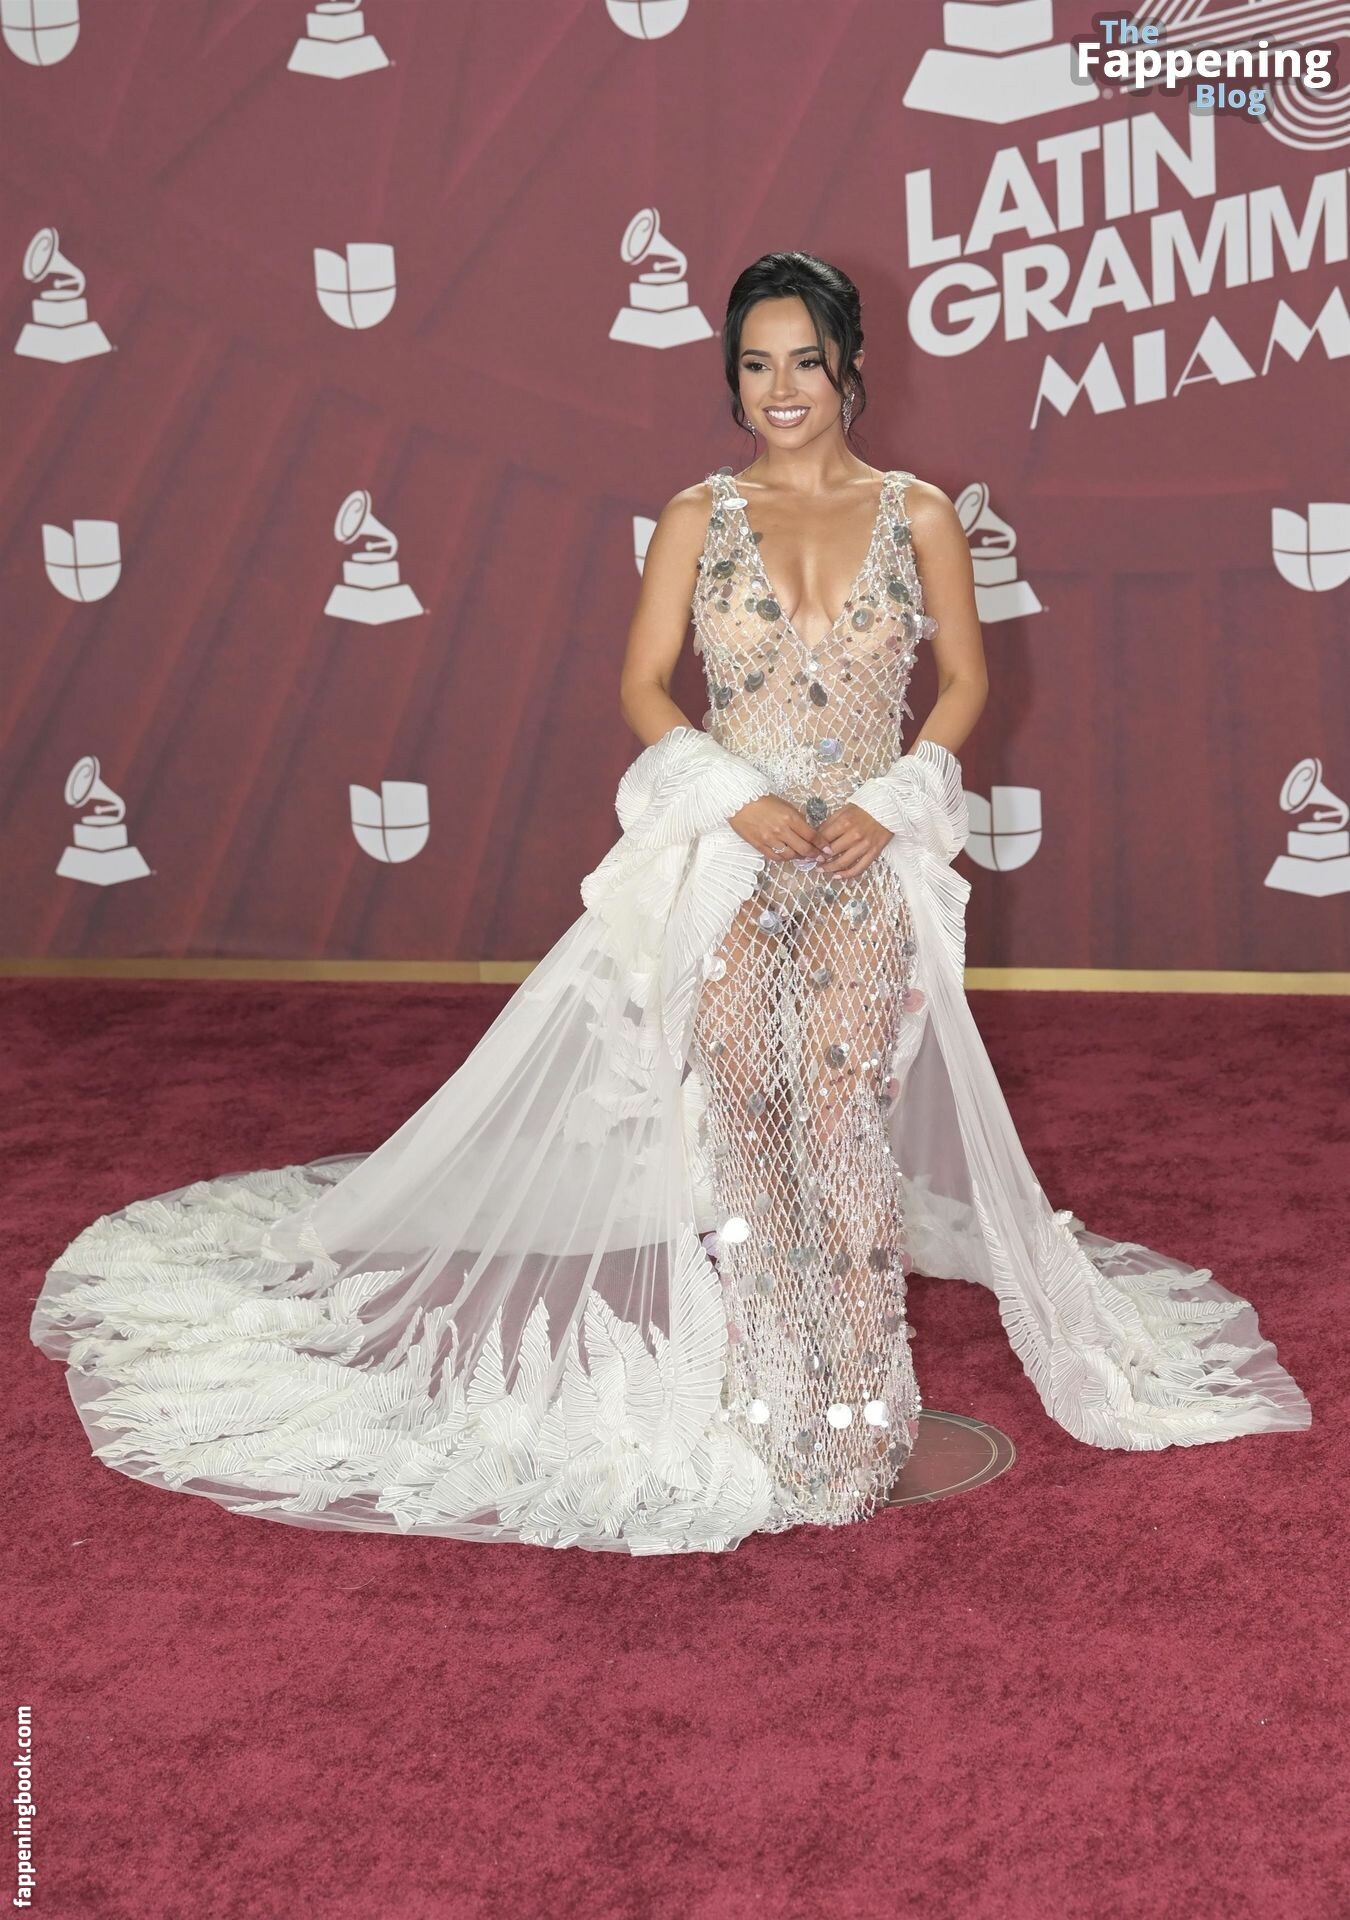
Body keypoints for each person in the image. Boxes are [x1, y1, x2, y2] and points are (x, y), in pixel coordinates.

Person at [29, 254, 1311, 1556]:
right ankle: (772, 1401)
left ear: (850, 367)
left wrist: (894, 797)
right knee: (751, 1127)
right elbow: (644, 686)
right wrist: (730, 796)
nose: (780, 389)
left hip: (864, 868)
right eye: (754, 365)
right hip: (733, 866)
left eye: (803, 361)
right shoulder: (699, 515)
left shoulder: (919, 515)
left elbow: (968, 683)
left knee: (840, 1125)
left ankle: (860, 1407)